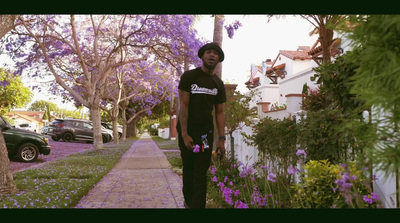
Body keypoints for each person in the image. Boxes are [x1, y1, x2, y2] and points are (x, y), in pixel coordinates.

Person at [177, 42, 227, 209]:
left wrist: (221, 139)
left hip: (205, 134)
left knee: (201, 172)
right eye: (208, 52)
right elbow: (183, 105)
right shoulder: (190, 77)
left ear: (219, 59)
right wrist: (184, 133)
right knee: (189, 168)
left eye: (215, 53)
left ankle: (197, 207)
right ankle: (189, 202)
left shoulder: (218, 84)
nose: (212, 55)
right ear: (202, 56)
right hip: (188, 130)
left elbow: (219, 113)